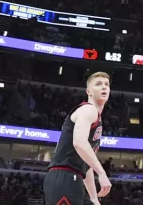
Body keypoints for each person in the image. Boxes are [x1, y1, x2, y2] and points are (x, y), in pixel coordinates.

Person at [43, 72, 112, 205]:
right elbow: (79, 143)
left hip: (73, 178)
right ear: (89, 91)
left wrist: (93, 198)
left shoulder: (96, 118)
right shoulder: (88, 110)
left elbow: (86, 163)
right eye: (98, 84)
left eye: (106, 84)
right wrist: (102, 174)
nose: (104, 87)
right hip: (64, 177)